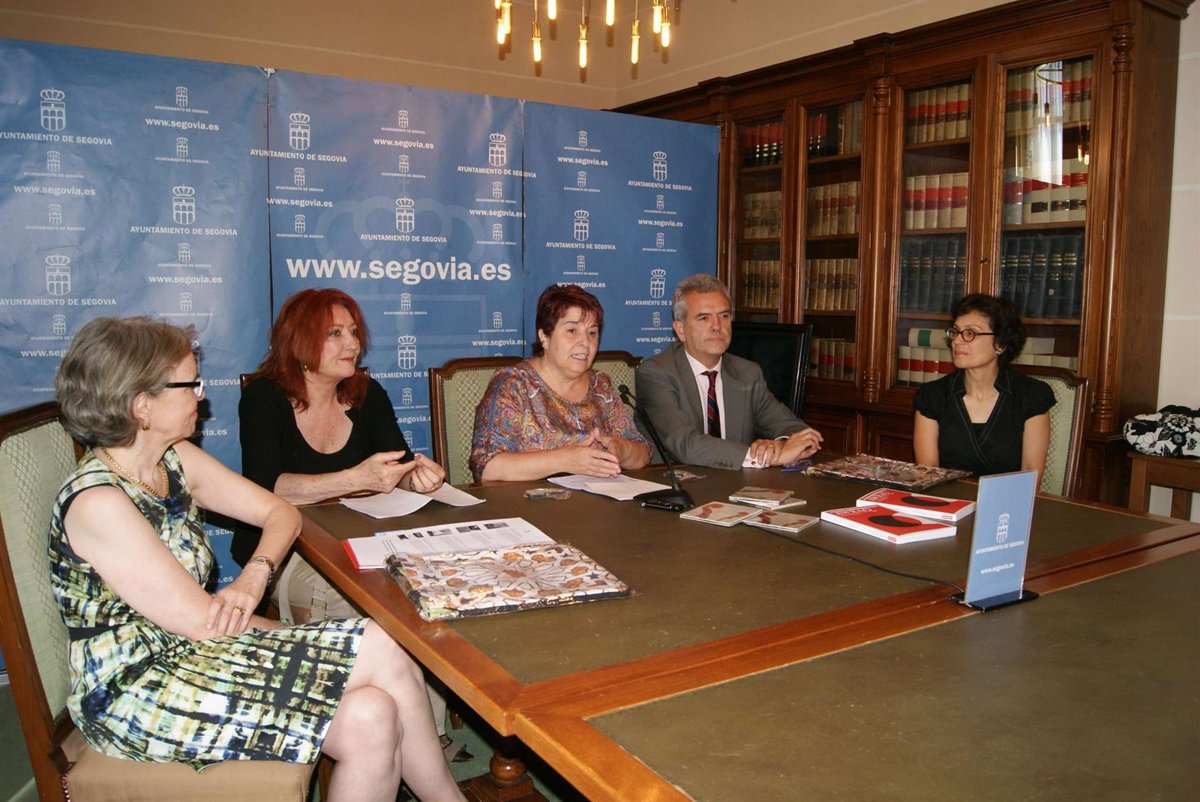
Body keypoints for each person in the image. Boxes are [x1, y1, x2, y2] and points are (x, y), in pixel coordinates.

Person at [49, 316, 464, 802]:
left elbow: (280, 512)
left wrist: (255, 574)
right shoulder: (99, 502)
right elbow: (205, 625)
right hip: (142, 689)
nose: (202, 395)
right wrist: (297, 636)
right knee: (383, 644)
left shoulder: (173, 459)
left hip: (198, 651)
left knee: (372, 715)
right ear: (142, 405)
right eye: (190, 385)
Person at [235, 288, 462, 757]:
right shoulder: (264, 397)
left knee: (425, 591)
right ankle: (379, 729)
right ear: (300, 341)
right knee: (363, 608)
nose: (352, 344)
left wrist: (417, 478)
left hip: (366, 541)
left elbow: (396, 464)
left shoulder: (366, 393)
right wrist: (353, 479)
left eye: (354, 332)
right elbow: (264, 488)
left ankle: (424, 735)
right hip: (289, 551)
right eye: (335, 334)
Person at [635, 273, 823, 469]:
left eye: (724, 316)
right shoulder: (656, 373)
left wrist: (780, 445)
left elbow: (795, 429)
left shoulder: (747, 373)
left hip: (737, 483)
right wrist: (764, 457)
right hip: (676, 482)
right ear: (680, 329)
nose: (717, 326)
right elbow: (684, 445)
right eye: (704, 318)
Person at [470, 284, 651, 482]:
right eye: (572, 330)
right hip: (533, 499)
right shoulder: (514, 384)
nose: (585, 342)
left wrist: (621, 450)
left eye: (592, 333)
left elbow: (642, 454)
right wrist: (564, 460)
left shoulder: (601, 385)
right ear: (544, 337)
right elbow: (486, 467)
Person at [913, 293, 1055, 479]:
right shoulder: (932, 395)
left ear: (1000, 344)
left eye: (970, 333)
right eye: (955, 332)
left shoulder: (1032, 395)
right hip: (946, 496)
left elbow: (1030, 475)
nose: (957, 341)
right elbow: (928, 473)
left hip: (1008, 497)